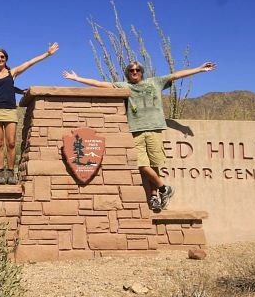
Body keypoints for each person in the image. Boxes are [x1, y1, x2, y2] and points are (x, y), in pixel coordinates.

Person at [62, 61, 216, 212]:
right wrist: (78, 79)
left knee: (154, 164)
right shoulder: (124, 86)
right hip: (136, 130)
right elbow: (101, 84)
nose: (134, 72)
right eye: (131, 70)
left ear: (142, 72)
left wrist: (199, 69)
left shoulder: (155, 82)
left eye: (137, 70)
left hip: (155, 128)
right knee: (141, 164)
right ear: (127, 74)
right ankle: (165, 188)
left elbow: (176, 75)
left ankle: (154, 196)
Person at [0, 43, 59, 184]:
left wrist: (47, 54)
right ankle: (1, 174)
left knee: (12, 143)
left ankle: (11, 172)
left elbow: (29, 63)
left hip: (10, 111)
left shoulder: (12, 72)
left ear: (6, 59)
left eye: (2, 57)